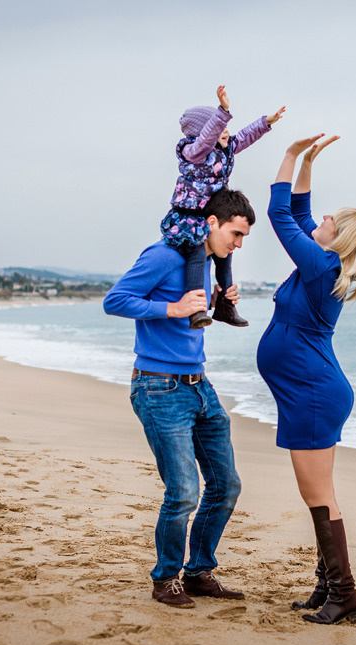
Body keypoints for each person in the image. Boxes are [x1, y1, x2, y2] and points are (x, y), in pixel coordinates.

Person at [103, 188, 256, 608]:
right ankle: (165, 579)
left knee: (225, 486)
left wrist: (219, 305)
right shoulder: (165, 255)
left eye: (243, 238)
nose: (238, 244)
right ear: (211, 222)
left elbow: (192, 316)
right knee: (184, 490)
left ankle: (199, 572)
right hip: (158, 386)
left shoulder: (203, 262)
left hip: (199, 385)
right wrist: (170, 309)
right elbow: (114, 301)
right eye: (236, 234)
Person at [256, 134, 356, 625]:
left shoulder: (322, 262)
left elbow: (282, 217)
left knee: (317, 496)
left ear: (339, 236)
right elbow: (301, 212)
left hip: (311, 393)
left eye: (332, 219)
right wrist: (307, 162)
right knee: (321, 494)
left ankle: (344, 595)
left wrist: (286, 157)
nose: (321, 219)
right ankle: (328, 586)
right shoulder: (322, 262)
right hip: (313, 389)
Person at [163, 85, 285, 329]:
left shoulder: (225, 149)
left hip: (212, 214)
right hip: (189, 215)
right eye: (219, 128)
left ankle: (226, 307)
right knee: (197, 253)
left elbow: (245, 137)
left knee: (226, 256)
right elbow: (208, 137)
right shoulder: (194, 152)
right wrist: (222, 112)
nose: (226, 132)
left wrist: (265, 123)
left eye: (226, 127)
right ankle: (196, 309)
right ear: (204, 132)